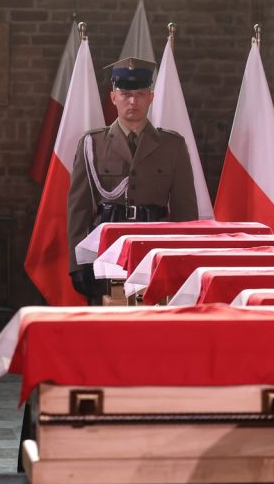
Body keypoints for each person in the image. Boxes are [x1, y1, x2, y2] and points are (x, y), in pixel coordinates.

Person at [67, 57, 198, 304]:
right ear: (113, 97)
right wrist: (78, 263)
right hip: (106, 252)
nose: (132, 101)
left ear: (151, 97)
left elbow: (185, 209)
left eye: (140, 94)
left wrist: (184, 260)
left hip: (156, 250)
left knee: (154, 319)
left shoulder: (172, 145)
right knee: (108, 320)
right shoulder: (93, 144)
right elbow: (78, 209)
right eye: (125, 94)